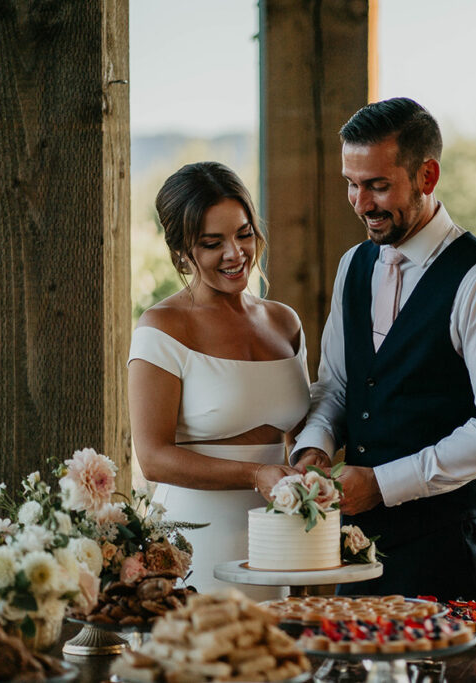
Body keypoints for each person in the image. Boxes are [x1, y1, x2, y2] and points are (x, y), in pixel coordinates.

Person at [292, 98, 476, 602]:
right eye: (351, 184)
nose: (360, 203)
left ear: (427, 175)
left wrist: (384, 483)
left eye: (378, 186)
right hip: (360, 553)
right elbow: (337, 385)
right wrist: (314, 445)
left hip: (451, 551)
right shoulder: (353, 266)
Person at [127, 162, 309, 598]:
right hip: (196, 542)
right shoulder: (162, 328)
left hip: (280, 540)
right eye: (213, 243)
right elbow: (152, 458)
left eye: (244, 234)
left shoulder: (284, 322)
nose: (235, 253)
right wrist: (255, 474)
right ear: (181, 252)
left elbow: (300, 435)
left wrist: (311, 465)